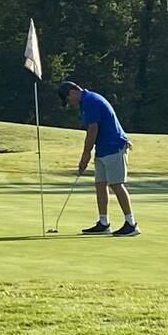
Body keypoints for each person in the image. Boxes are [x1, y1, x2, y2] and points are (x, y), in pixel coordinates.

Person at [58, 80, 139, 236]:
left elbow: (93, 129)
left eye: (68, 99)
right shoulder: (85, 103)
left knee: (116, 184)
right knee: (100, 184)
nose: (70, 103)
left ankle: (131, 224)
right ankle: (103, 223)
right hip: (102, 149)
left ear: (74, 90)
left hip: (114, 146)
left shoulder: (90, 101)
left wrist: (85, 154)